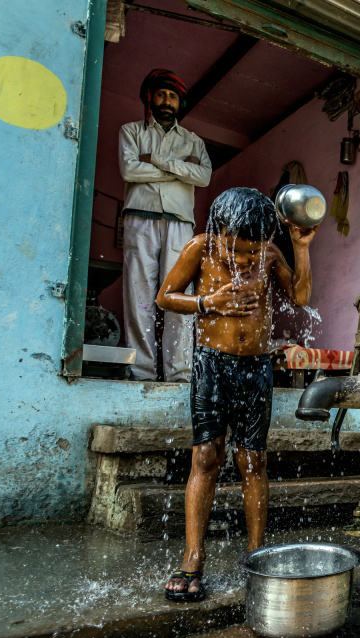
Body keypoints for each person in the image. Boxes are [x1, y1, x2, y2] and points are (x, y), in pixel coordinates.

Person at [158, 187, 315, 602]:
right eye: (238, 249)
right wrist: (209, 302)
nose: (245, 259)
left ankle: (257, 553)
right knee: (206, 456)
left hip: (256, 367)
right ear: (220, 230)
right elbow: (165, 297)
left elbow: (300, 297)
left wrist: (299, 248)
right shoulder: (201, 248)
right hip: (211, 363)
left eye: (253, 251)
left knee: (253, 459)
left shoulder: (270, 253)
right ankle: (193, 556)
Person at [119, 68, 212, 382]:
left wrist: (156, 161)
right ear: (150, 97)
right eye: (161, 94)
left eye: (172, 96)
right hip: (139, 220)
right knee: (139, 296)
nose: (167, 101)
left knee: (180, 296)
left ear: (179, 102)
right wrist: (181, 170)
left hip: (180, 225)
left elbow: (203, 176)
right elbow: (129, 171)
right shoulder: (131, 131)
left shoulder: (193, 140)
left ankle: (180, 374)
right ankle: (140, 371)